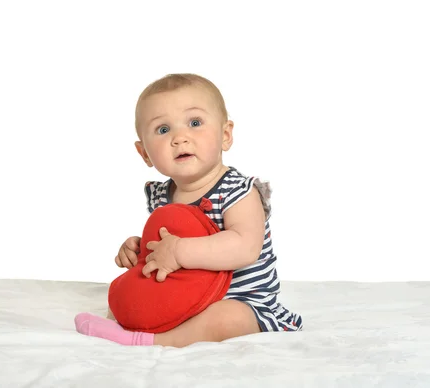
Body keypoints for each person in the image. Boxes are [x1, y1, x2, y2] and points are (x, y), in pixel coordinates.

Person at [74, 73, 303, 348]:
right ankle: (126, 322)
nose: (180, 138)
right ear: (145, 153)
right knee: (133, 293)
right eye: (162, 130)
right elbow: (163, 247)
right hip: (186, 297)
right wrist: (140, 250)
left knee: (226, 319)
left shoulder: (238, 191)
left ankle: (153, 339)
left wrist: (179, 251)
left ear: (225, 135)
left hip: (242, 301)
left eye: (195, 123)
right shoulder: (162, 196)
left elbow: (245, 247)